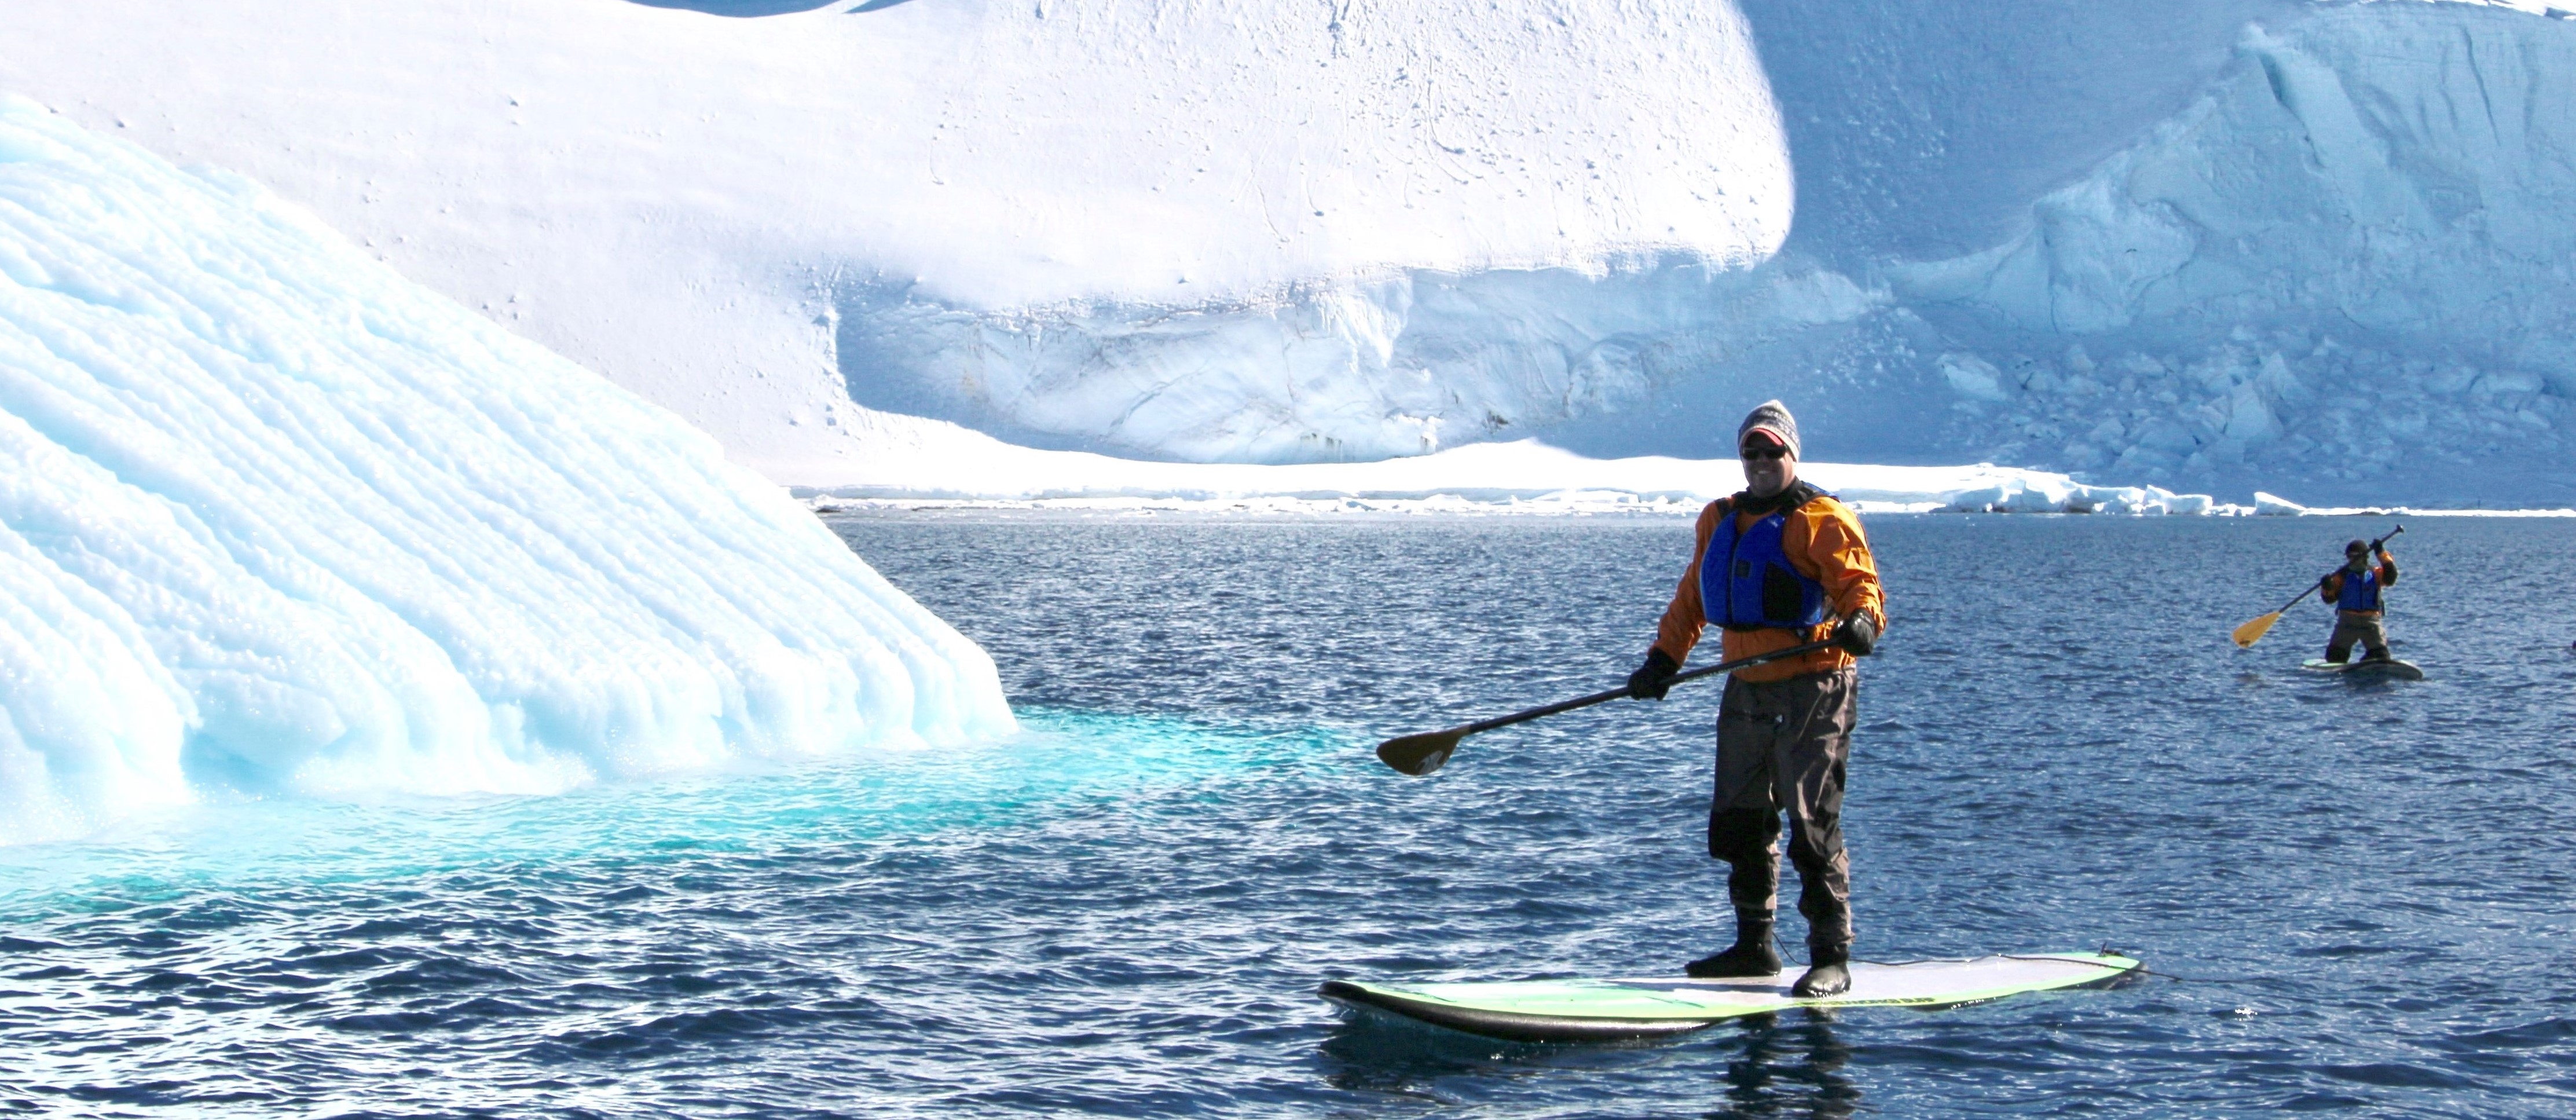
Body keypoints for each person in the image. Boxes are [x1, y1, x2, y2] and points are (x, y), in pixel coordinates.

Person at [1625, 400, 1885, 998]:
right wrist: (1662, 662)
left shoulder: (1823, 518)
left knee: (1811, 821)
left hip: (1815, 689)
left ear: (1793, 455)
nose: (1763, 461)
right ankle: (1755, 945)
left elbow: (1860, 587)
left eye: (1775, 451)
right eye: (1752, 450)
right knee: (1741, 818)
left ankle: (1830, 955)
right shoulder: (1719, 518)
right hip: (1746, 685)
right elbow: (1693, 597)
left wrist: (1863, 623)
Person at [2319, 539, 2398, 663]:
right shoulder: (2341, 576)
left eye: (2357, 556)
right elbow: (2329, 599)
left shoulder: (2375, 574)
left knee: (2381, 656)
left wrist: (2381, 553)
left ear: (2365, 557)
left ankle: (2370, 659)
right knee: (2335, 657)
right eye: (2350, 557)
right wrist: (2326, 587)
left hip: (2371, 623)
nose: (2353, 560)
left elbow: (2390, 578)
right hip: (2347, 622)